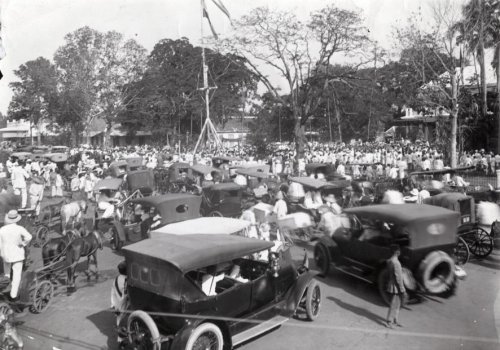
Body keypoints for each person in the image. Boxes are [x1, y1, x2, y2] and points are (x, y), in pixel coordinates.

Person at [0, 210, 32, 309]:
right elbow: (29, 237)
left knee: (7, 274)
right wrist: (22, 243)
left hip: (5, 255)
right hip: (17, 254)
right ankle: (13, 296)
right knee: (17, 275)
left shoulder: (2, 229)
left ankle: (5, 289)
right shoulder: (19, 228)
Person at [385, 244, 406, 329]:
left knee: (397, 304)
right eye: (399, 251)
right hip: (396, 286)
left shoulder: (390, 261)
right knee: (394, 304)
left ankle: (395, 320)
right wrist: (402, 289)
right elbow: (398, 278)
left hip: (392, 284)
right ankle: (389, 321)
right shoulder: (396, 262)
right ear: (397, 252)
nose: (400, 252)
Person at [111, 261, 129, 348]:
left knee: (119, 321)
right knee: (125, 323)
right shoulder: (128, 280)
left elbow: (112, 293)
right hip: (125, 304)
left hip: (117, 304)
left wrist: (113, 305)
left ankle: (120, 342)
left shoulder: (115, 279)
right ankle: (123, 341)